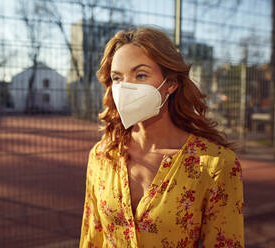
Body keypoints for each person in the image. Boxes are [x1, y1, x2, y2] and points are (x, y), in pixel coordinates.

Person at [79, 26, 244, 248]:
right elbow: (92, 237)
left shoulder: (216, 165)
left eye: (140, 75)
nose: (126, 87)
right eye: (117, 78)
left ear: (171, 84)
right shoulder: (101, 155)